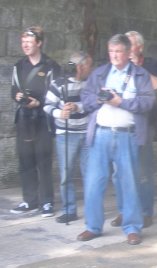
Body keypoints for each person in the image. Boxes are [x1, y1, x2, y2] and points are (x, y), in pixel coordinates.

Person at [77, 34, 155, 245]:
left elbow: (148, 102)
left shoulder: (140, 75)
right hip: (100, 134)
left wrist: (120, 101)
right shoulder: (100, 73)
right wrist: (100, 99)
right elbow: (85, 98)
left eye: (118, 51)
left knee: (128, 183)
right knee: (94, 182)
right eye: (111, 51)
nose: (114, 56)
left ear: (129, 53)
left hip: (126, 136)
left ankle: (132, 227)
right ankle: (92, 226)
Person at [110, 31, 157, 229]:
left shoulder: (151, 64)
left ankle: (145, 211)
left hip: (144, 126)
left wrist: (137, 67)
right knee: (119, 173)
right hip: (121, 125)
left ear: (139, 48)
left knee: (143, 172)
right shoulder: (118, 67)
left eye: (129, 44)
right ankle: (124, 211)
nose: (124, 48)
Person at [10, 26, 60, 217]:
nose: (25, 45)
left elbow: (56, 93)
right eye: (23, 42)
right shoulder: (19, 66)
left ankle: (47, 202)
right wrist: (18, 96)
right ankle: (29, 201)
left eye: (29, 42)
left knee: (43, 161)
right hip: (24, 119)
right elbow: (12, 90)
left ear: (39, 43)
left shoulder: (51, 66)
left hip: (43, 120)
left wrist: (39, 102)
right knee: (25, 161)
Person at [44, 51, 93, 223]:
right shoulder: (58, 84)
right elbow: (47, 106)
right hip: (66, 135)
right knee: (66, 174)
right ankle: (69, 209)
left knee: (90, 174)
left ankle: (91, 210)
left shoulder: (90, 83)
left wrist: (77, 107)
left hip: (87, 133)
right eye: (88, 65)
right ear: (79, 67)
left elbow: (93, 104)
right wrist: (59, 112)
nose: (91, 68)